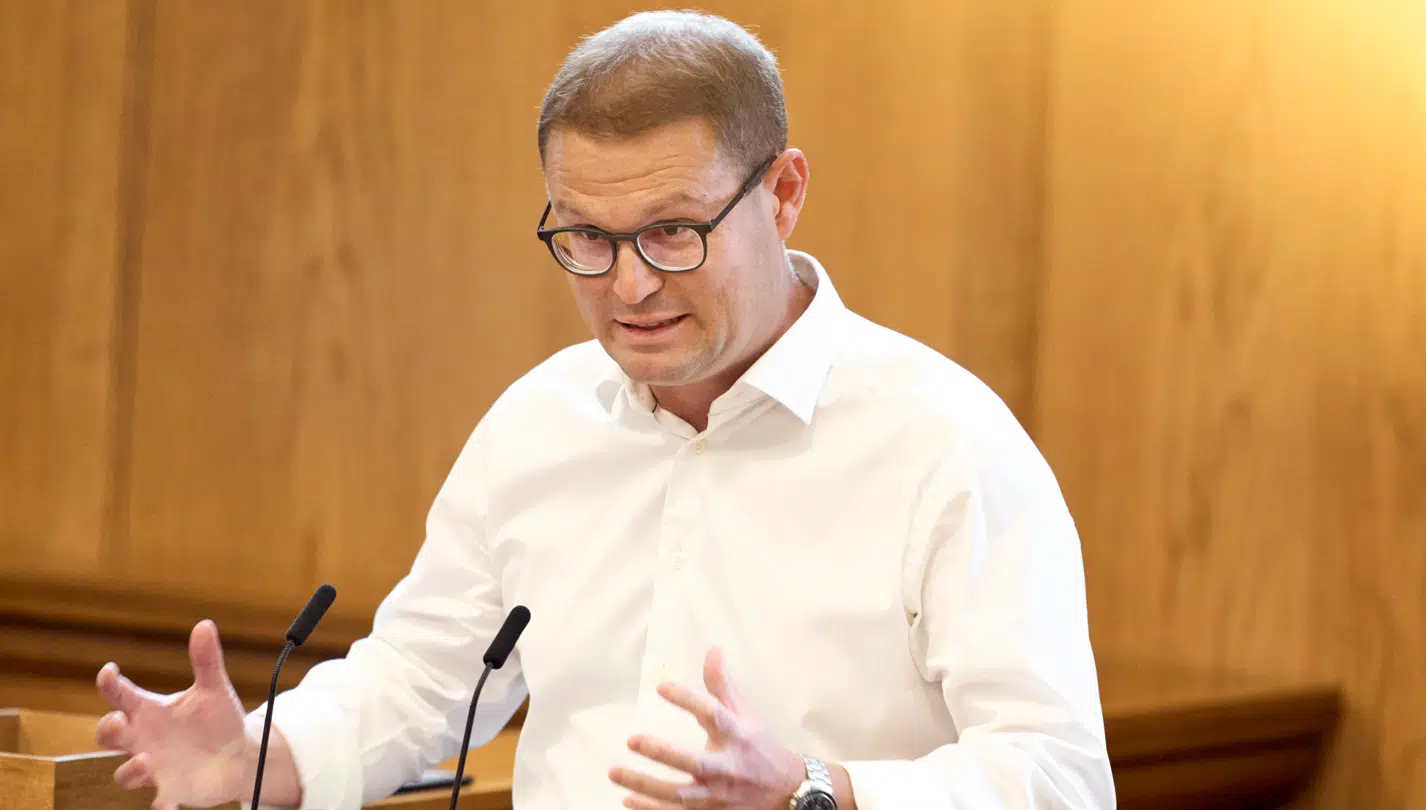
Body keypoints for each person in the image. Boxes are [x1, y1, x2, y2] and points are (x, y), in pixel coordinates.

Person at [93, 10, 1115, 810]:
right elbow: (419, 682)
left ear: (784, 192)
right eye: (585, 236)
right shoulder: (539, 425)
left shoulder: (948, 447)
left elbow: (1060, 780)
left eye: (673, 231)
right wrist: (258, 758)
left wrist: (814, 789)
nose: (628, 287)